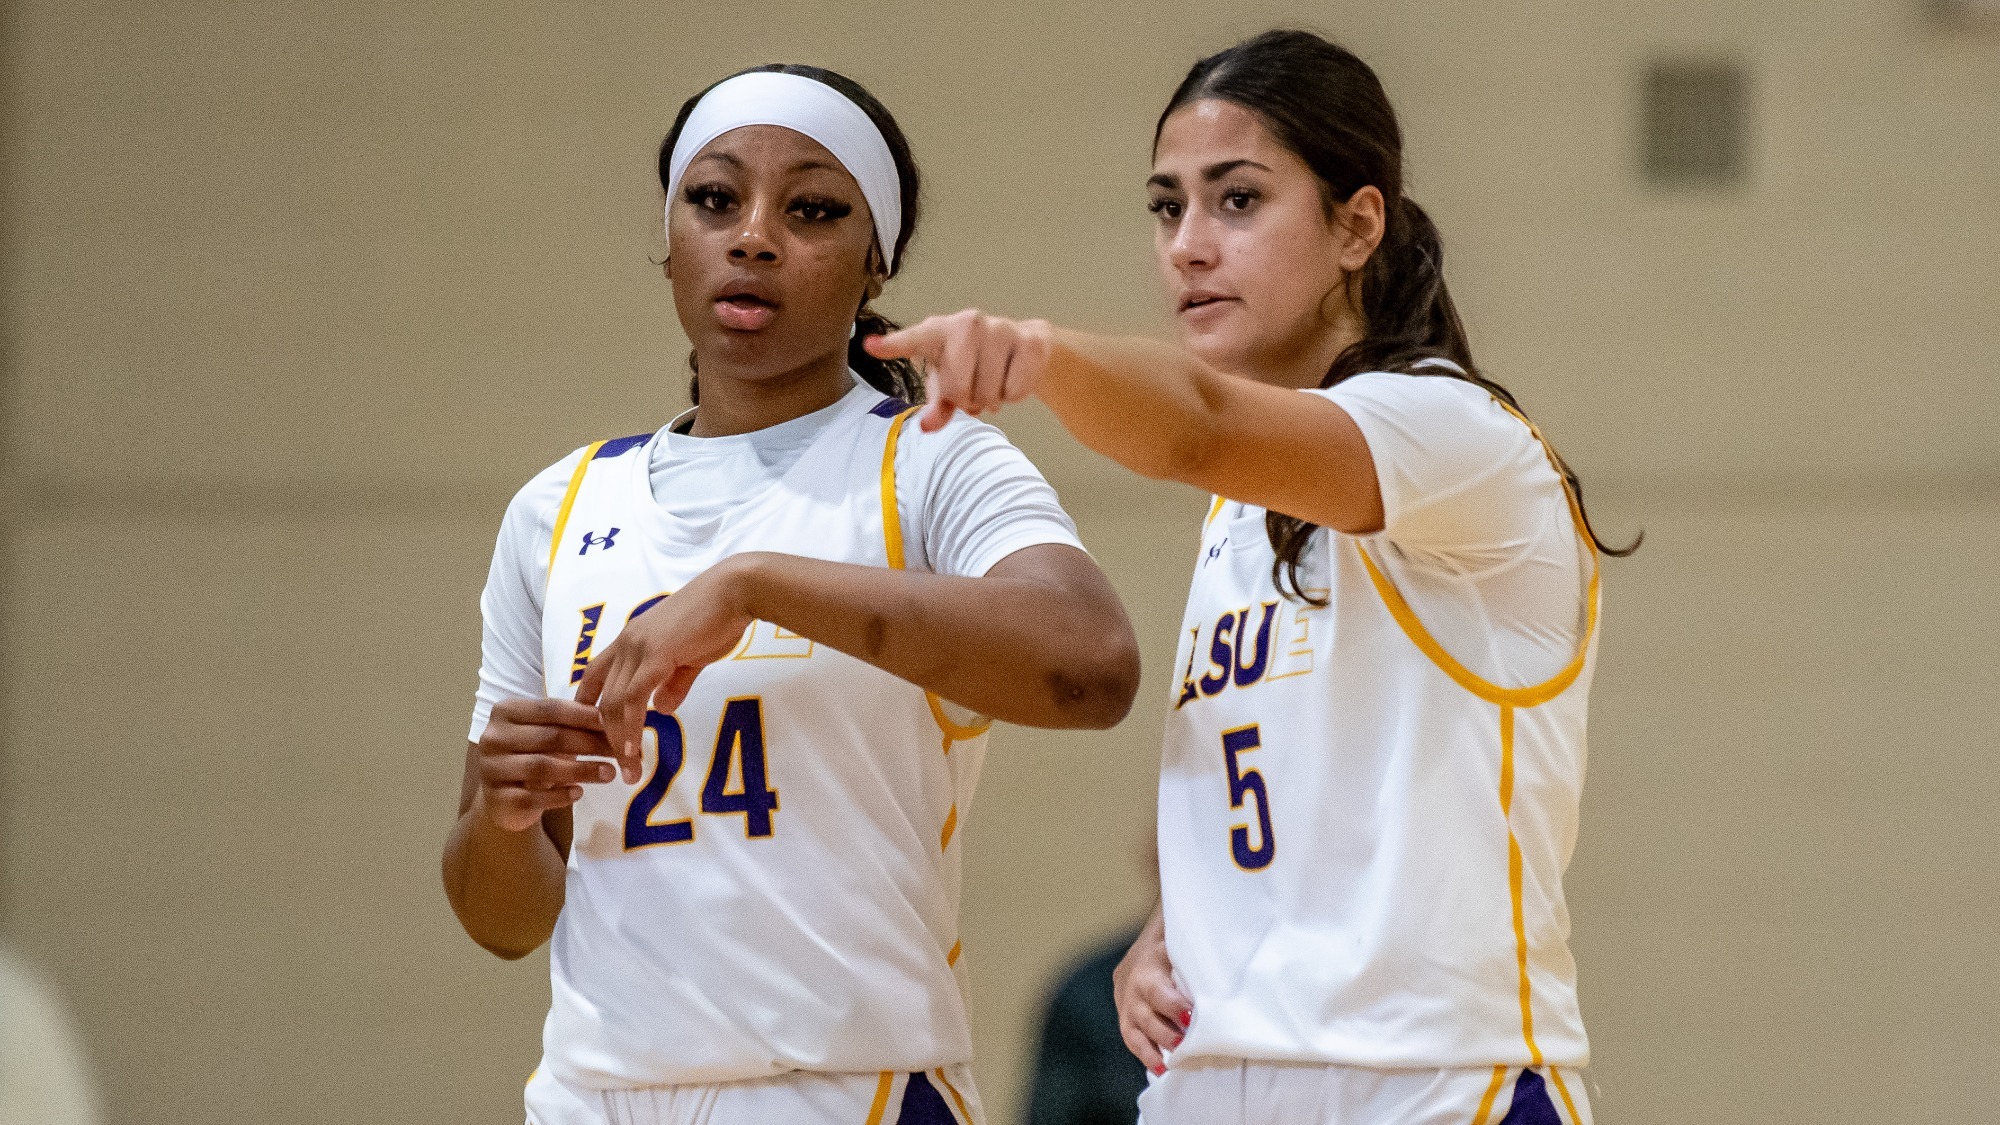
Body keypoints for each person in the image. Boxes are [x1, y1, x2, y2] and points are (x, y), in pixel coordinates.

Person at [868, 28, 1636, 1125]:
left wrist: (1038, 355)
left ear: (1355, 224)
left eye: (1235, 201)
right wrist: (1180, 924)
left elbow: (1194, 426)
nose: (1186, 244)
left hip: (1428, 1084)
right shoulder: (1244, 508)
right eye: (1165, 206)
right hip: (1220, 1083)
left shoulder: (1452, 434)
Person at [442, 63, 1141, 1125]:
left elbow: (1090, 664)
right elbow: (501, 920)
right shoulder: (559, 505)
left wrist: (756, 584)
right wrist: (500, 816)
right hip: (593, 1099)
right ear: (667, 237)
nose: (753, 236)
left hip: (842, 1091)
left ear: (876, 260)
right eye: (714, 199)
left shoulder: (932, 462)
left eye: (810, 210)